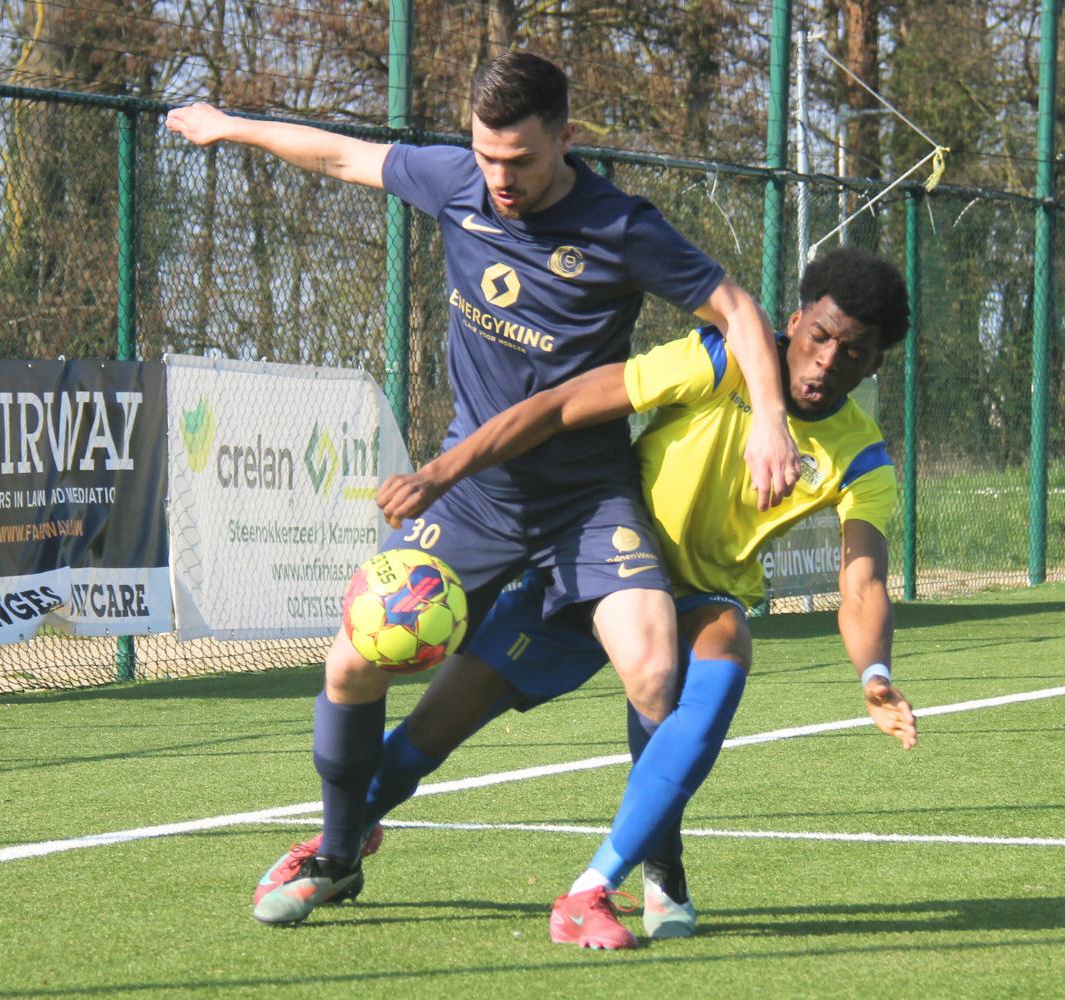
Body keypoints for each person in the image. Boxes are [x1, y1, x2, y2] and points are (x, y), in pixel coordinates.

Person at [165, 51, 801, 927]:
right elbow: (340, 155)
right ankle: (340, 855)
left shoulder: (621, 226)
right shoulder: (454, 181)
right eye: (486, 156)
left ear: (565, 140)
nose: (500, 178)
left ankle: (661, 867)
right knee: (352, 660)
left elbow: (736, 309)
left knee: (656, 673)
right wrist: (229, 126)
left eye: (521, 160)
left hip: (587, 500)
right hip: (472, 495)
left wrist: (769, 416)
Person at [361, 247, 920, 949]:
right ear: (796, 319)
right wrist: (442, 472)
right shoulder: (718, 360)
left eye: (854, 352)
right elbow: (563, 404)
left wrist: (875, 673)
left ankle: (595, 887)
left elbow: (862, 583)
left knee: (724, 655)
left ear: (875, 364)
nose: (827, 361)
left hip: (701, 597)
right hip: (595, 563)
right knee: (424, 739)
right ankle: (338, 840)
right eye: (820, 336)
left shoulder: (862, 458)